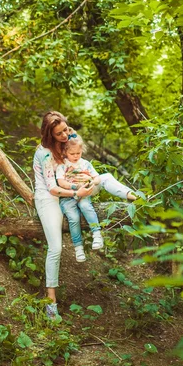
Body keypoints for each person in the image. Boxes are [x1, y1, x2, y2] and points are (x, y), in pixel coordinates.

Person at [33, 111, 137, 320]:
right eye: (59, 133)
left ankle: (134, 196)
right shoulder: (44, 153)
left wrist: (86, 183)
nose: (66, 134)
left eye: (66, 129)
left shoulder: (68, 138)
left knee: (105, 177)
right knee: (56, 247)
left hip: (74, 189)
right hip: (50, 196)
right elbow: (52, 188)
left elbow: (79, 159)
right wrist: (76, 192)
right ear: (49, 135)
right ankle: (50, 302)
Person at [56, 132, 103, 263]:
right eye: (72, 154)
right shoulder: (62, 165)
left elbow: (97, 177)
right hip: (67, 197)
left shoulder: (86, 164)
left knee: (85, 206)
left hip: (84, 195)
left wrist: (93, 181)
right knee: (73, 217)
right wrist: (74, 187)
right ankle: (78, 247)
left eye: (78, 153)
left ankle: (97, 234)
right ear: (65, 152)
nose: (76, 156)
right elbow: (61, 182)